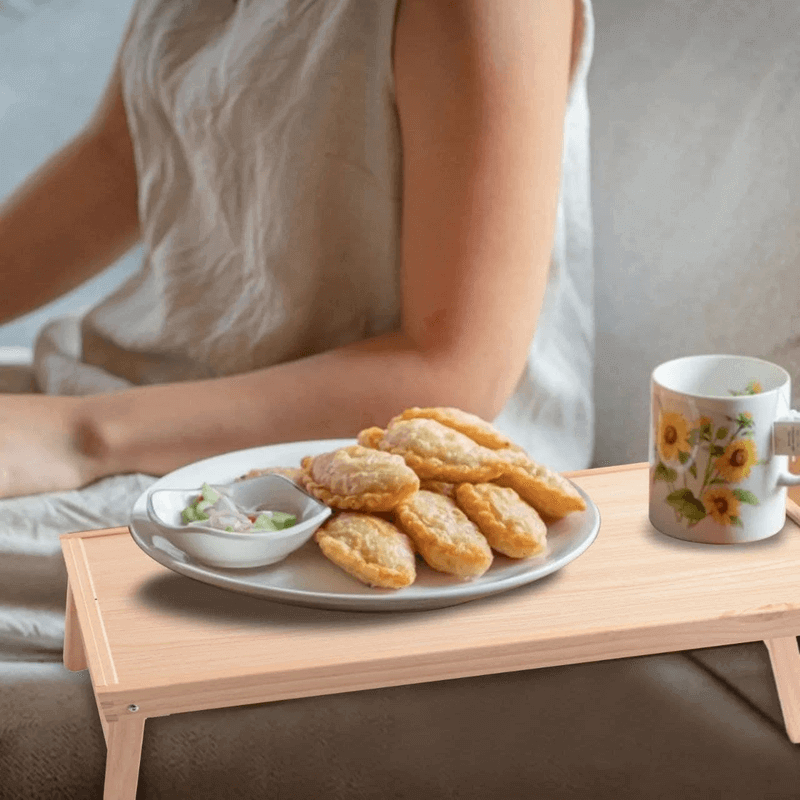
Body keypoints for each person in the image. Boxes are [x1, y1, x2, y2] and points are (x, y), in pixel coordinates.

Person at [0, 0, 594, 504]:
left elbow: (456, 371)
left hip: (368, 475)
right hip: (148, 401)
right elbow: (121, 160)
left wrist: (78, 437)